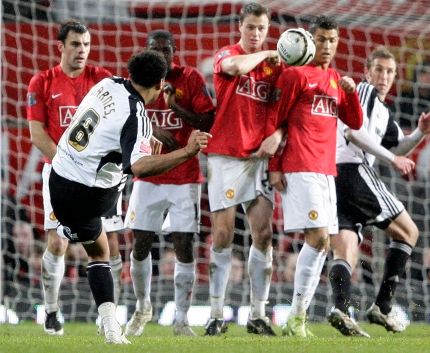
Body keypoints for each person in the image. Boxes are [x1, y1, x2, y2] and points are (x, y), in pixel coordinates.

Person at [48, 49, 211, 344]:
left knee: (97, 242)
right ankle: (111, 331)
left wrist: (142, 138)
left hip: (58, 175)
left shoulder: (107, 83)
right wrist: (186, 151)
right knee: (101, 254)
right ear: (161, 84)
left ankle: (69, 230)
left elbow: (109, 122)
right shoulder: (137, 117)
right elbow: (139, 167)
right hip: (88, 194)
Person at [328, 46, 430, 337]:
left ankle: (340, 309)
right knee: (409, 232)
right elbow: (354, 133)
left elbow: (398, 146)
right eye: (378, 69)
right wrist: (392, 160)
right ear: (367, 72)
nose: (384, 76)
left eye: (390, 71)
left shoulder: (382, 110)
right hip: (354, 170)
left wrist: (420, 133)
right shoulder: (363, 92)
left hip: (335, 177)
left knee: (347, 248)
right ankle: (383, 306)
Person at [264, 15, 363, 337]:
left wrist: (351, 92)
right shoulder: (294, 75)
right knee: (319, 239)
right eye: (321, 39)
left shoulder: (335, 78)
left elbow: (355, 122)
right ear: (309, 41)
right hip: (300, 165)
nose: (327, 46)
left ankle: (298, 318)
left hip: (326, 170)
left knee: (322, 244)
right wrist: (275, 166)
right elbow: (275, 120)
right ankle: (296, 317)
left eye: (332, 40)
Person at [26, 20, 126, 336]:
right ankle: (53, 311)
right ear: (61, 47)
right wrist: (67, 166)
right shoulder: (41, 82)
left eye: (86, 44)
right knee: (57, 241)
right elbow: (37, 134)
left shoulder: (102, 81)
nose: (81, 50)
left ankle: (108, 318)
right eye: (75, 44)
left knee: (110, 243)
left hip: (100, 178)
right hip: (59, 173)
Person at [123, 29, 215, 337]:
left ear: (174, 51)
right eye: (155, 49)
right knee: (141, 244)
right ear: (147, 51)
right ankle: (142, 306)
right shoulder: (138, 79)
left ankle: (181, 319)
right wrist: (151, 130)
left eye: (166, 50)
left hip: (184, 177)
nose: (162, 55)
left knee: (184, 245)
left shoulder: (189, 79)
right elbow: (126, 121)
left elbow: (208, 121)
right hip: (147, 174)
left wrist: (176, 108)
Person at [203, 2, 284, 336]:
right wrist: (266, 54)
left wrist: (277, 136)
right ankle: (216, 314)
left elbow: (285, 112)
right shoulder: (228, 54)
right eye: (251, 27)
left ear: (267, 29)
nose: (255, 33)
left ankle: (257, 314)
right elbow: (235, 67)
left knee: (263, 234)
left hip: (259, 159)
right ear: (240, 27)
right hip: (225, 156)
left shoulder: (277, 70)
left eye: (261, 29)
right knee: (222, 234)